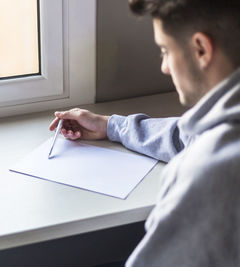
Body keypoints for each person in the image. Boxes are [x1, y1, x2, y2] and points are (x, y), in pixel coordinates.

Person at [49, 0, 240, 266]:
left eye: (165, 50)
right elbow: (187, 135)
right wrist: (110, 126)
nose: (164, 67)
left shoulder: (211, 173)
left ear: (200, 49)